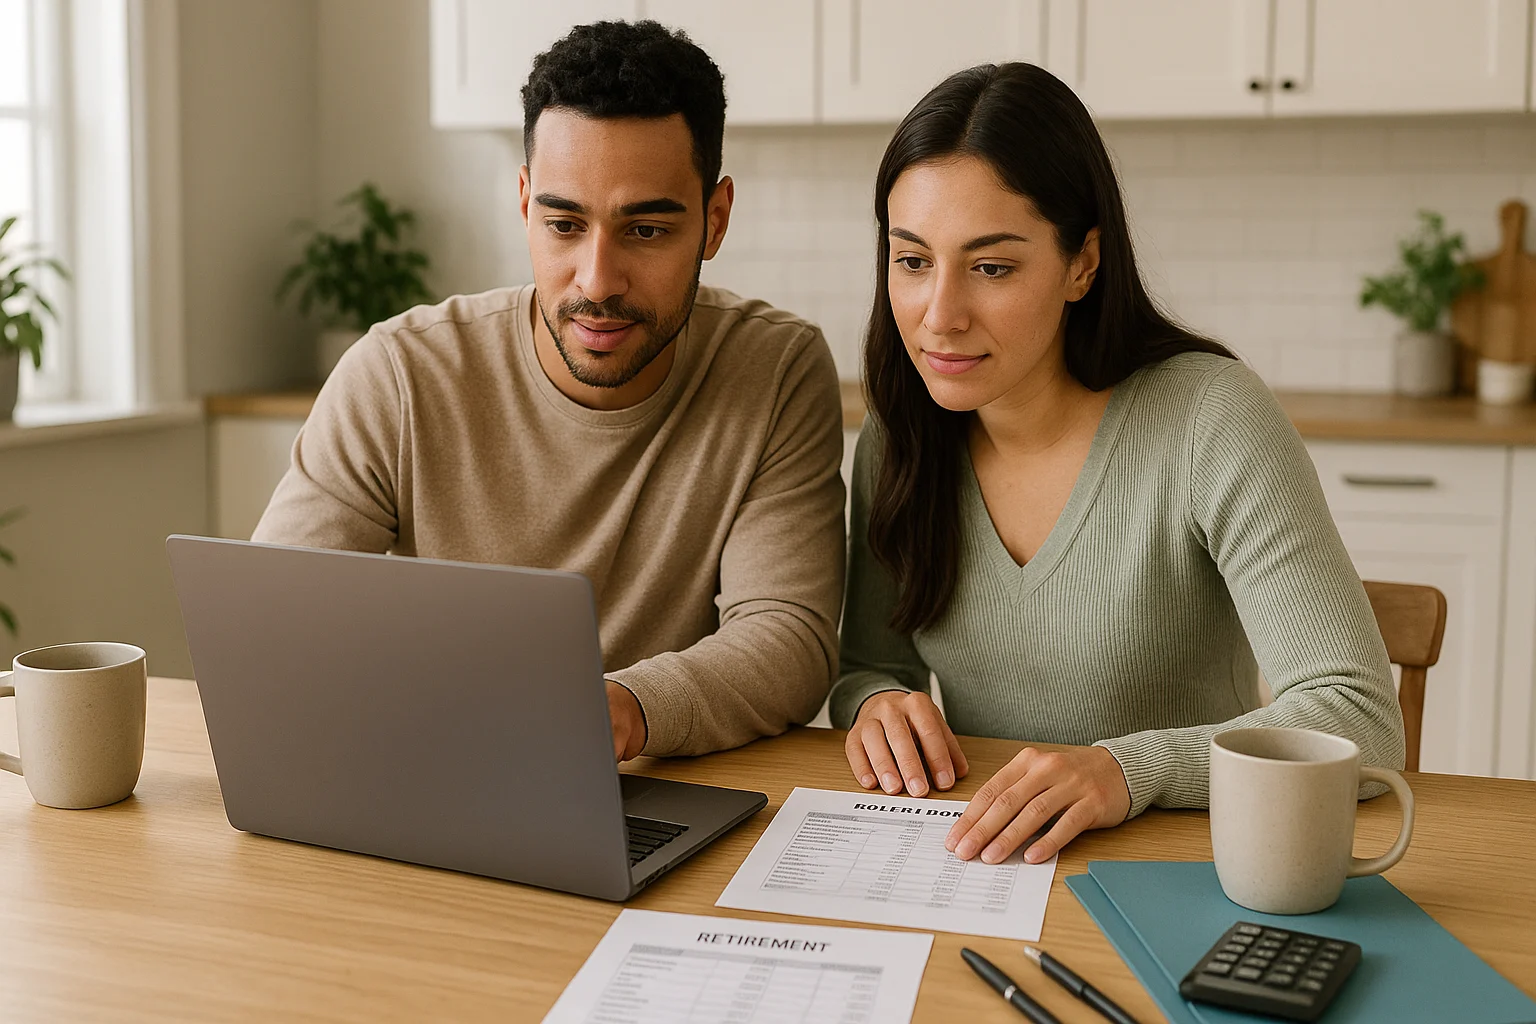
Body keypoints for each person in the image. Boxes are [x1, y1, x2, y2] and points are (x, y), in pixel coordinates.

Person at [832, 63, 1403, 868]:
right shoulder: (902, 432)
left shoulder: (1210, 417)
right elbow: (869, 666)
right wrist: (879, 705)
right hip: (985, 863)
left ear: (1082, 264)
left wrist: (1126, 770)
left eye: (992, 267)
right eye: (912, 261)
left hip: (1182, 867)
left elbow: (1359, 717)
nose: (940, 315)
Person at [254, 21, 845, 762]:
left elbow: (787, 637)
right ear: (525, 202)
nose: (597, 281)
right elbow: (274, 621)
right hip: (438, 766)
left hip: (663, 787)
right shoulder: (399, 374)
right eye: (564, 224)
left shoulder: (775, 369)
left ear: (714, 220)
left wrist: (625, 709)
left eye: (648, 231)